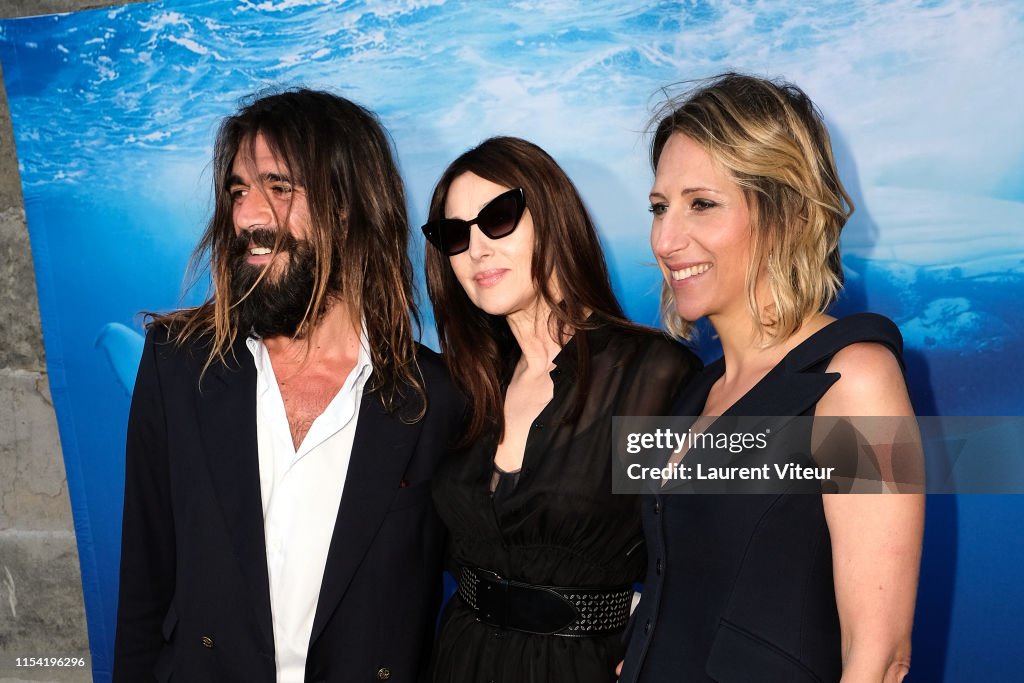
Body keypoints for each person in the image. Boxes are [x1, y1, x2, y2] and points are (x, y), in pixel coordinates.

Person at [113, 89, 463, 683]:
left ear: (349, 207)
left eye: (279, 187)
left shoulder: (434, 398)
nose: (248, 216)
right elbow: (143, 590)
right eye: (238, 191)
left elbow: (493, 574)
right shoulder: (178, 367)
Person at [618, 73, 925, 682]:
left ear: (783, 212)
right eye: (659, 208)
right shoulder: (695, 392)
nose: (665, 238)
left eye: (701, 204)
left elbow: (881, 658)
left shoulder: (853, 380)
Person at [420, 136, 702, 683]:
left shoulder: (650, 377)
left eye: (498, 218)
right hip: (460, 660)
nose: (476, 248)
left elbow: (738, 540)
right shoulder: (469, 385)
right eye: (455, 235)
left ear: (552, 218)